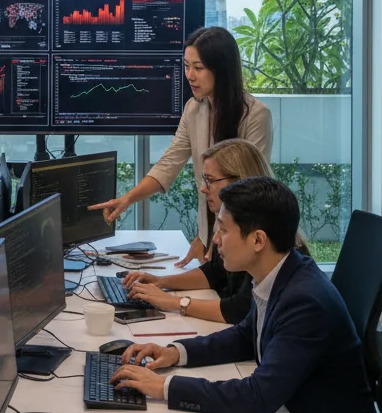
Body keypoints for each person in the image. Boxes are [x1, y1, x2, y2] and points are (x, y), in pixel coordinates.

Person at [110, 177, 382, 413]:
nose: (215, 239)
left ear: (258, 240)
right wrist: (175, 352)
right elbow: (245, 336)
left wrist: (164, 387)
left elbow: (258, 398)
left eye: (223, 229)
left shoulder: (305, 302)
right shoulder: (282, 274)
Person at [89, 26, 272, 266]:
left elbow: (250, 187)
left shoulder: (256, 115)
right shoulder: (193, 109)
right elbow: (169, 163)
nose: (190, 75)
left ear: (222, 70)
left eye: (198, 68)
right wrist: (128, 199)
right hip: (214, 236)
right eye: (186, 66)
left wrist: (213, 235)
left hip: (243, 236)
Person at [122, 138, 307, 324]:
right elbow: (214, 272)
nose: (203, 189)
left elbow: (239, 310)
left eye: (210, 180)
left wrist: (173, 302)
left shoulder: (261, 238)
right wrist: (161, 282)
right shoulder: (232, 225)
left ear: (239, 180)